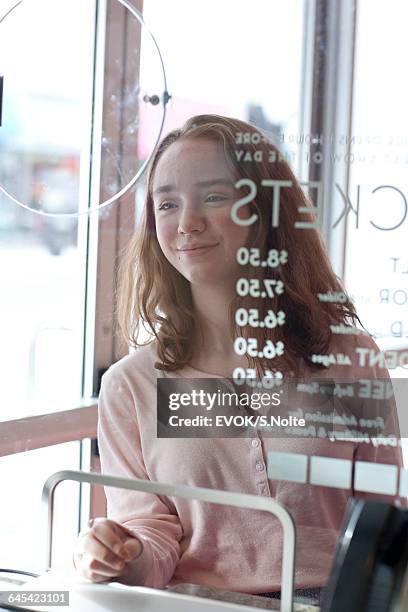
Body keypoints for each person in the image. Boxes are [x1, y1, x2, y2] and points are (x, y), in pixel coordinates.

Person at [73, 114, 403, 603]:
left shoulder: (350, 358)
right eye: (167, 203)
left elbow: (384, 518)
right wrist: (120, 553)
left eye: (214, 197)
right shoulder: (131, 384)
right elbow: (150, 539)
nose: (187, 223)